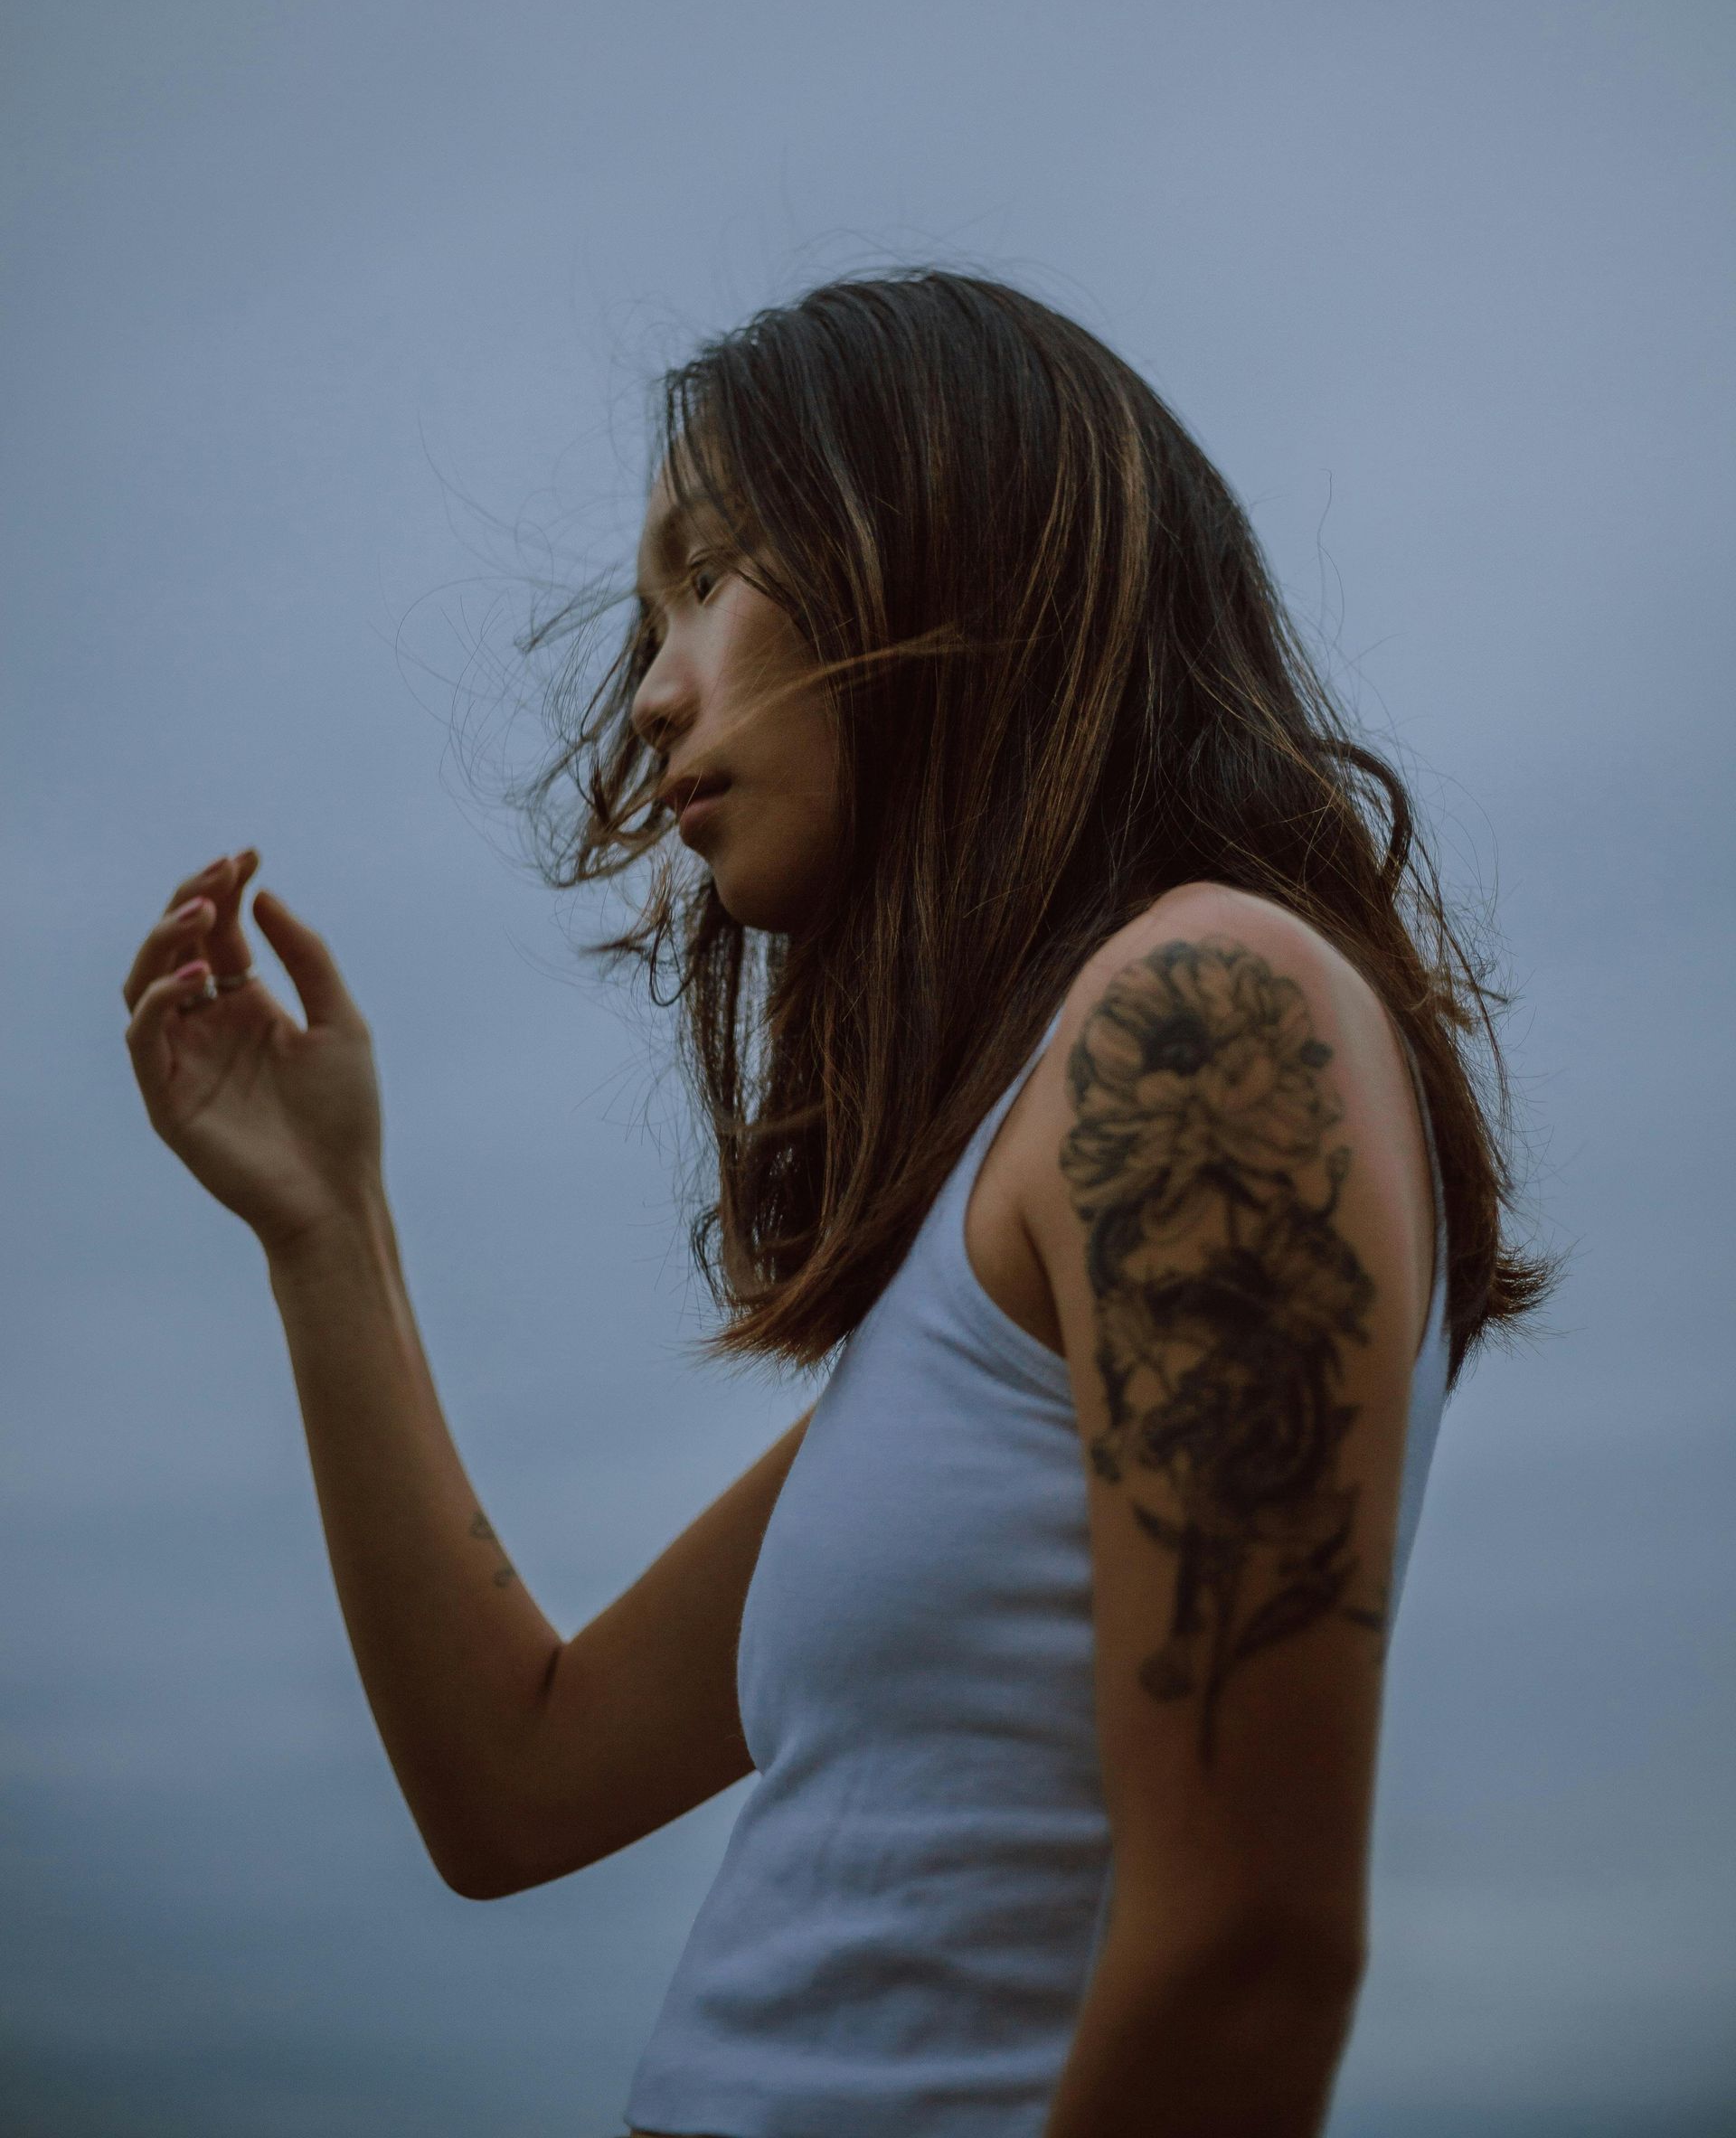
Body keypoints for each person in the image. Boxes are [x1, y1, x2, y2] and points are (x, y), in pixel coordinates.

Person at [122, 270, 1551, 2138]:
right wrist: (329, 1223)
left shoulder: (1207, 1017)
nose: (654, 691)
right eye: (653, 617)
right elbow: (514, 1782)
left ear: (950, 549)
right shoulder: (1026, 1181)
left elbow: (1246, 1957)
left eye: (712, 575)